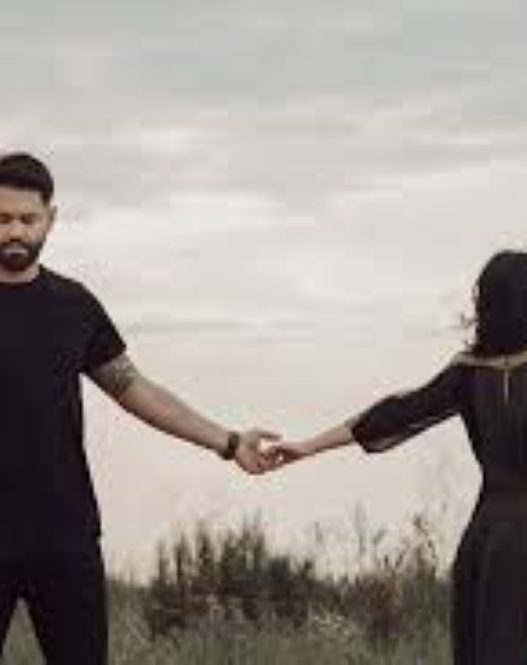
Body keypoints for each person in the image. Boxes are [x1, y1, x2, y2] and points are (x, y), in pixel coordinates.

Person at [0, 152, 276, 664]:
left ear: (50, 220)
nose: (14, 231)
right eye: (2, 219)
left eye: (26, 219)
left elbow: (135, 390)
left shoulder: (73, 305)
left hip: (65, 536)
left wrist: (230, 441)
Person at [267, 250, 527, 665]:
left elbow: (393, 415)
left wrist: (308, 445)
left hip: (488, 539)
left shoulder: (468, 372)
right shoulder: (468, 371)